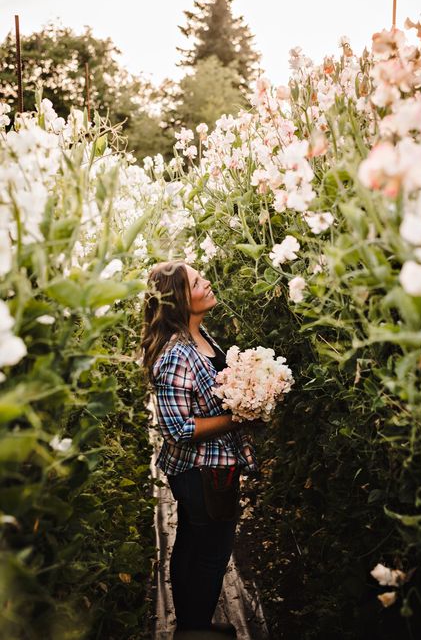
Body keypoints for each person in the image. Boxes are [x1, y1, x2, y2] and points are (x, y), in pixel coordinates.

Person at [141, 261, 258, 637]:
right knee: (212, 551)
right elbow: (177, 427)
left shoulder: (201, 337)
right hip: (201, 470)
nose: (206, 282)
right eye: (196, 281)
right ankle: (195, 629)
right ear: (178, 299)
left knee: (194, 540)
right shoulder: (177, 353)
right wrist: (241, 415)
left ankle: (193, 625)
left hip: (209, 466)